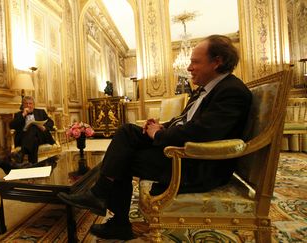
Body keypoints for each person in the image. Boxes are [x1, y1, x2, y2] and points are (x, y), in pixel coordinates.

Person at [58, 35, 253, 240]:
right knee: (126, 132)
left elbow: (203, 132)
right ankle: (104, 199)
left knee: (123, 158)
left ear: (217, 61)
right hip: (185, 153)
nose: (189, 68)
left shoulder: (232, 91)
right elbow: (185, 121)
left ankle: (110, 209)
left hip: (198, 165)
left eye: (195, 62)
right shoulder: (205, 89)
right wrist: (161, 126)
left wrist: (159, 134)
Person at [10, 96, 55, 164]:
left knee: (33, 127)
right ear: (23, 105)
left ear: (33, 105)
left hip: (41, 136)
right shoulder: (19, 114)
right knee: (34, 140)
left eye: (30, 103)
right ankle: (33, 164)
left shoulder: (41, 112)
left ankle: (21, 153)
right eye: (26, 104)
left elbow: (51, 122)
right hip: (24, 138)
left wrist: (45, 127)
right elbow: (12, 126)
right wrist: (23, 114)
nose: (28, 105)